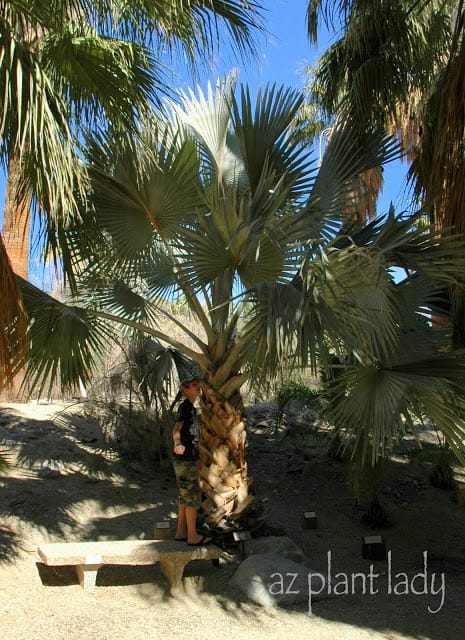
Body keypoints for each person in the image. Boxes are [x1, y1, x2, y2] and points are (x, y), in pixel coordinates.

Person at [172, 378, 212, 545]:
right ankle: (193, 536)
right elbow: (176, 429)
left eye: (198, 385)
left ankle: (181, 532)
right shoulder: (185, 408)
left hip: (189, 459)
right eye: (195, 386)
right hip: (186, 460)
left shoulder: (192, 409)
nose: (198, 388)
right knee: (191, 497)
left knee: (184, 496)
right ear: (184, 389)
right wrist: (177, 443)